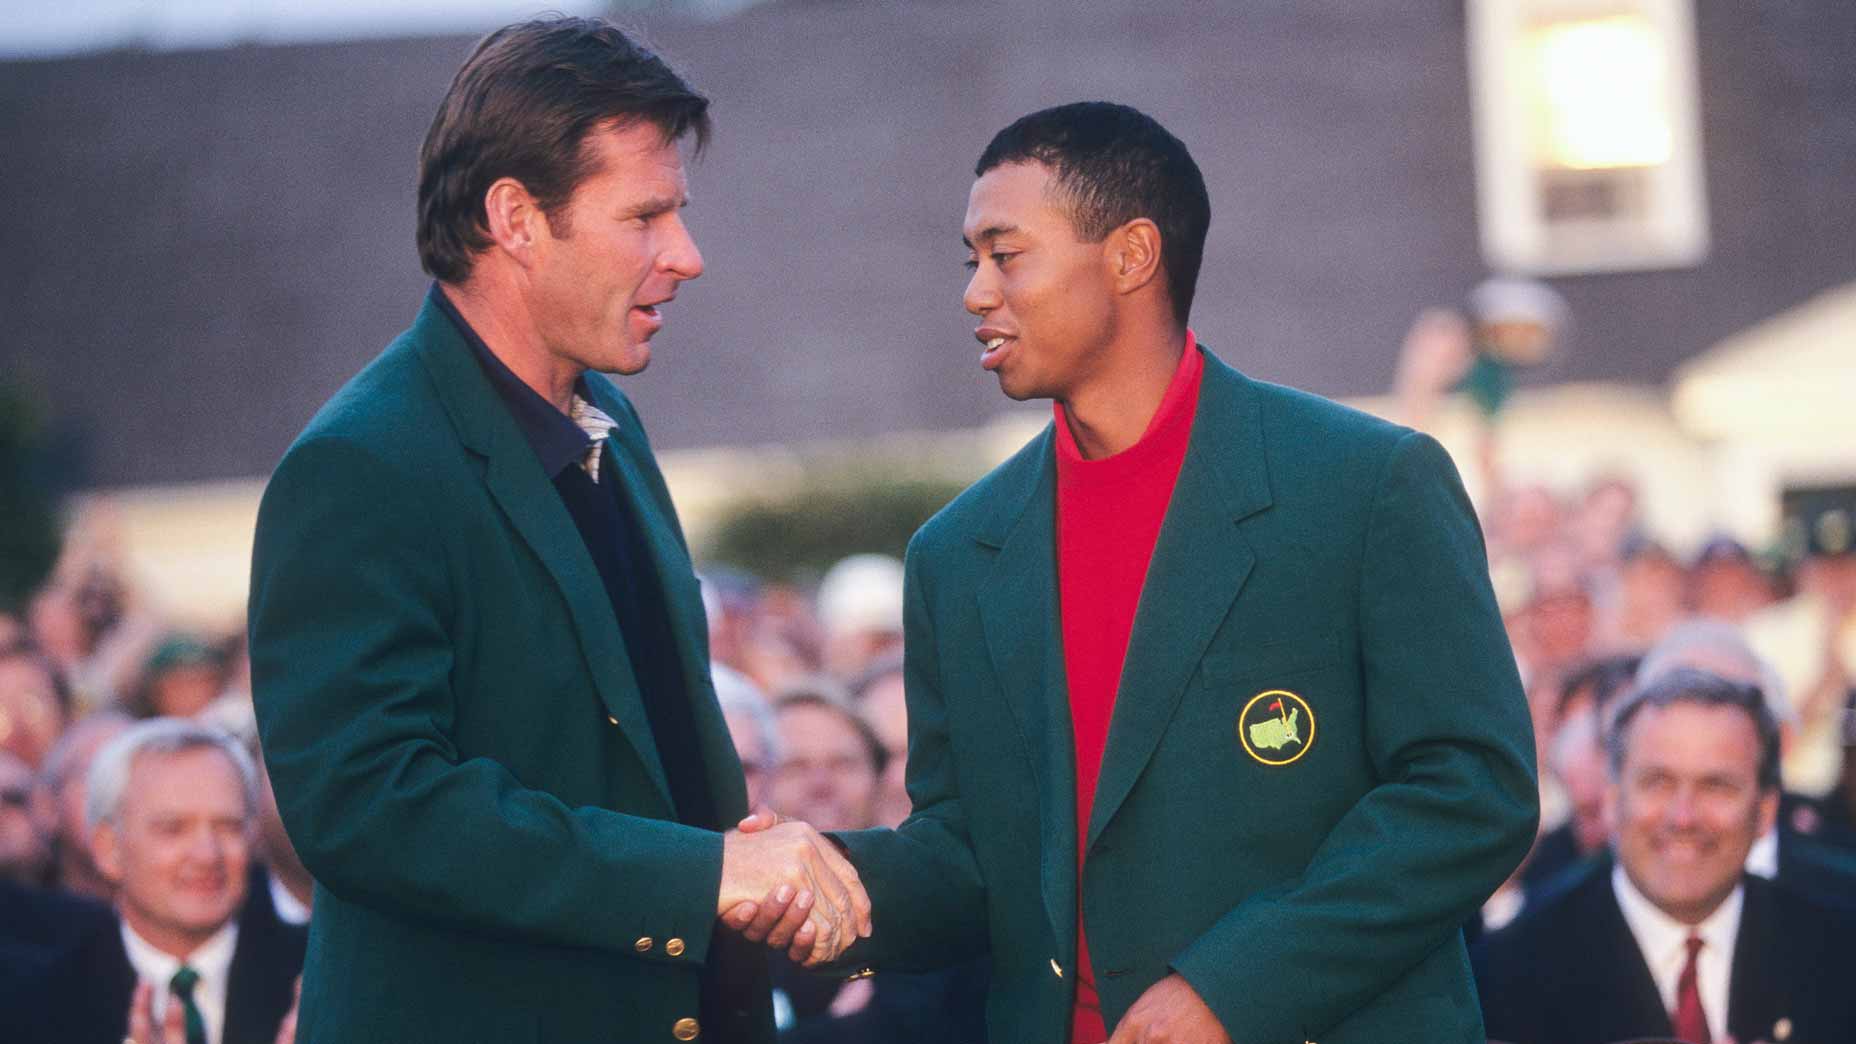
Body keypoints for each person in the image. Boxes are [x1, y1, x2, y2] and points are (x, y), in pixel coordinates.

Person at [736, 102, 1536, 1043]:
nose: (976, 293)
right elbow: (971, 858)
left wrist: (1232, 990)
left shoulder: (1364, 484)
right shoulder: (957, 554)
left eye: (1006, 254)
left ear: (1131, 255)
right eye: (971, 260)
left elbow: (1470, 793)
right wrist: (827, 879)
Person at [245, 17, 866, 1044]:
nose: (686, 256)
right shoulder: (361, 465)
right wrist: (702, 872)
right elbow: (369, 806)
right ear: (515, 219)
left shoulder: (612, 421)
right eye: (645, 216)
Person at [1474, 669, 1856, 1044]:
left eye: (1716, 785)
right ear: (1612, 800)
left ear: (1766, 811)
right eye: (1657, 782)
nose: (1683, 817)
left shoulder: (1840, 952)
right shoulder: (1506, 974)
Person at [29, 718, 306, 1044]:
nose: (207, 854)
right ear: (109, 849)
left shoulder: (319, 979)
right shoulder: (35, 997)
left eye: (229, 827)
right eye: (173, 829)